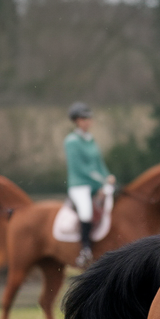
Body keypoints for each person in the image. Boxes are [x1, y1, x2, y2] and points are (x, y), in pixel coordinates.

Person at [64, 102, 115, 268]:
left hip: (96, 183)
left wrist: (108, 177)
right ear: (76, 121)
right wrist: (102, 180)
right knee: (86, 211)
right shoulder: (71, 141)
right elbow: (81, 168)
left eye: (88, 118)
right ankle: (85, 249)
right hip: (80, 185)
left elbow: (99, 163)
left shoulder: (91, 139)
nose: (87, 121)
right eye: (83, 119)